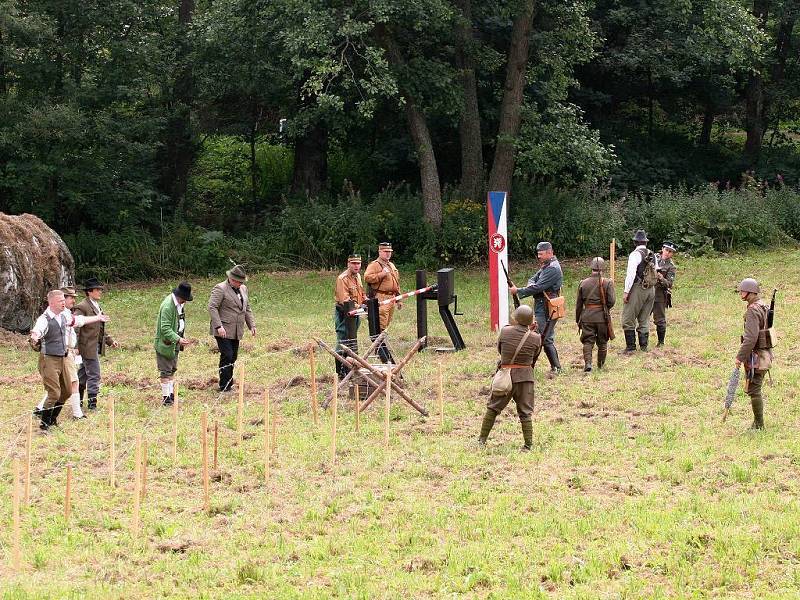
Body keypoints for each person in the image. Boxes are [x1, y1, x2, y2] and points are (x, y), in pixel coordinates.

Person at [30, 289, 110, 430]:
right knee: (54, 392)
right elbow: (38, 330)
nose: (64, 303)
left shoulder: (64, 316)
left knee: (66, 391)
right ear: (52, 302)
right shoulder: (44, 319)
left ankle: (53, 419)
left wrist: (98, 318)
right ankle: (44, 424)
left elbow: (79, 321)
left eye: (63, 300)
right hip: (49, 359)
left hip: (65, 357)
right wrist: (35, 337)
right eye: (61, 301)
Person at [477, 305, 542, 451]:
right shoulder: (536, 338)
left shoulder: (505, 331)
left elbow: (500, 349)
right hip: (525, 378)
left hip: (505, 376)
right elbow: (535, 357)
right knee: (525, 412)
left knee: (493, 408)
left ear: (516, 318)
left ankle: (482, 440)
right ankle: (528, 445)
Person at [510, 241, 563, 377]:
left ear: (550, 252)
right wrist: (531, 285)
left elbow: (538, 287)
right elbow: (532, 280)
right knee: (543, 336)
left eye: (541, 253)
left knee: (544, 337)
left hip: (546, 307)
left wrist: (518, 291)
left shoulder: (552, 268)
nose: (539, 256)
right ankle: (553, 367)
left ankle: (555, 368)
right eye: (538, 254)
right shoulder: (546, 266)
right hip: (542, 305)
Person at [208, 264, 256, 392]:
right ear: (232, 279)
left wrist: (251, 325)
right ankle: (224, 386)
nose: (240, 284)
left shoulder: (244, 289)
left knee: (233, 356)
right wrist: (218, 326)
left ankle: (229, 382)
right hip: (223, 329)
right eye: (238, 282)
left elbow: (247, 308)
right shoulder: (220, 288)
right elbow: (212, 307)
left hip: (236, 330)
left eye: (242, 282)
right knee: (227, 355)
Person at [734, 278, 773, 430]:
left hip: (757, 356)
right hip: (765, 353)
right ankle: (757, 422)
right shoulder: (763, 305)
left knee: (754, 389)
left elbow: (750, 338)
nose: (740, 293)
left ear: (751, 292)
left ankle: (759, 425)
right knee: (755, 388)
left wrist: (739, 357)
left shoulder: (752, 310)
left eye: (743, 291)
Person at [74, 278, 118, 410]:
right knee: (94, 374)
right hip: (86, 346)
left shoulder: (96, 306)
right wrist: (76, 347)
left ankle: (78, 400)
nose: (100, 292)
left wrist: (110, 341)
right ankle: (92, 404)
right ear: (89, 292)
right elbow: (75, 327)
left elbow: (99, 328)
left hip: (94, 346)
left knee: (83, 374)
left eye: (100, 289)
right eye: (97, 290)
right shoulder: (82, 306)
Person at [155, 282, 193, 406]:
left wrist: (180, 338)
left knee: (172, 369)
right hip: (165, 344)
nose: (185, 302)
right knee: (165, 371)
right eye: (185, 299)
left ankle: (171, 395)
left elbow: (179, 322)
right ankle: (166, 398)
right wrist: (178, 339)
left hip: (175, 342)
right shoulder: (167, 306)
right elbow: (165, 328)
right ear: (180, 296)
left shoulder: (179, 305)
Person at [575, 257, 616, 373]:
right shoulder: (607, 282)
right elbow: (611, 301)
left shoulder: (583, 283)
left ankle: (588, 364)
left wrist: (578, 318)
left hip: (587, 317)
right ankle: (601, 366)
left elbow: (579, 304)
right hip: (602, 318)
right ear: (603, 269)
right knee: (602, 342)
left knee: (588, 341)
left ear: (591, 268)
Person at [364, 242, 401, 363]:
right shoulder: (375, 265)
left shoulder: (391, 265)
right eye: (386, 251)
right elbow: (367, 278)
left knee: (386, 324)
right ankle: (379, 350)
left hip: (391, 298)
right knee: (380, 324)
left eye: (390, 251)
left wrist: (398, 298)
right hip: (381, 297)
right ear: (380, 252)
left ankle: (381, 348)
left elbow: (396, 282)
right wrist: (381, 274)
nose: (388, 254)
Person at [621, 230, 656, 353]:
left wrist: (626, 292)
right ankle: (644, 347)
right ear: (645, 242)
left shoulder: (635, 255)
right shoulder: (653, 254)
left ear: (635, 242)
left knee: (628, 318)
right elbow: (656, 271)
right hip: (651, 290)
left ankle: (630, 348)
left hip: (638, 288)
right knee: (644, 318)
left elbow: (630, 275)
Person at [334, 254, 366, 378]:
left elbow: (361, 292)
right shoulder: (342, 278)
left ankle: (349, 369)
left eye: (358, 263)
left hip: (355, 313)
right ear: (348, 264)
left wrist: (365, 300)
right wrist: (360, 307)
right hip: (344, 313)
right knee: (342, 340)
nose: (356, 266)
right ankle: (340, 372)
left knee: (352, 340)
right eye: (353, 263)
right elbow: (345, 300)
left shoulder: (357, 276)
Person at [652, 242, 677, 347]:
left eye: (670, 251)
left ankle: (661, 342)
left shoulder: (671, 266)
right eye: (666, 250)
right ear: (662, 249)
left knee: (660, 319)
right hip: (647, 292)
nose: (668, 253)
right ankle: (642, 343)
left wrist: (660, 277)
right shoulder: (653, 258)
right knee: (642, 318)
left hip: (659, 295)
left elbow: (669, 284)